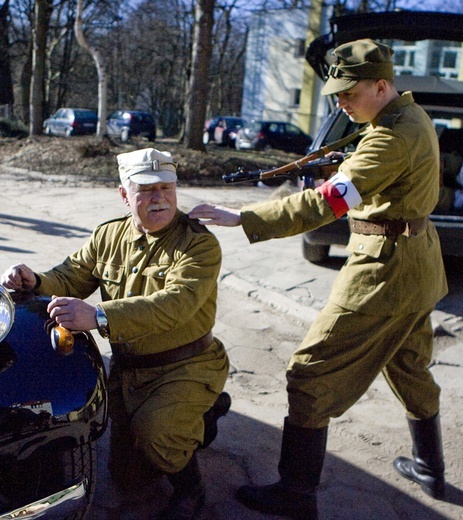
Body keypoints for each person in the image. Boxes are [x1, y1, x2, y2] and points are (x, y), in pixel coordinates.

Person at [189, 39, 448, 520]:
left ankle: (295, 493)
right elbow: (378, 176)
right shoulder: (408, 118)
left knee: (309, 373)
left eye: (348, 93)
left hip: (383, 274)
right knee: (410, 365)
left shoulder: (387, 139)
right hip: (418, 268)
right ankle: (429, 467)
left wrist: (243, 218)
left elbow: (325, 204)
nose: (339, 102)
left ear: (382, 85)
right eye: (336, 93)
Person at [1, 147, 231, 520]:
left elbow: (175, 303)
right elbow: (72, 274)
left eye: (166, 188)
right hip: (130, 369)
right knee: (128, 477)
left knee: (159, 435)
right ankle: (202, 419)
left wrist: (99, 316)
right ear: (124, 195)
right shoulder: (109, 235)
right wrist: (36, 280)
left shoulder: (199, 243)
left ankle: (193, 489)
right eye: (145, 189)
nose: (159, 198)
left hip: (186, 364)